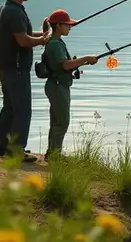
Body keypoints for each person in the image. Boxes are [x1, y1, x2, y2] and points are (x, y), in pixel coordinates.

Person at [0, 0, 52, 162]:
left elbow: (23, 34)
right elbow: (23, 40)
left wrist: (42, 34)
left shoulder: (8, 8)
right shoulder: (15, 12)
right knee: (22, 109)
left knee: (9, 107)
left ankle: (1, 145)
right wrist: (43, 39)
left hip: (6, 66)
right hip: (16, 68)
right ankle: (16, 150)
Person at [42, 9, 97, 161]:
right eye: (67, 25)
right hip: (58, 86)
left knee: (56, 121)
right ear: (58, 26)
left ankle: (52, 152)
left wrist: (83, 61)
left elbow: (64, 65)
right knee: (62, 122)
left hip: (56, 85)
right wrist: (85, 58)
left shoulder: (53, 41)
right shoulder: (55, 44)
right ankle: (55, 156)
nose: (70, 27)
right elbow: (65, 65)